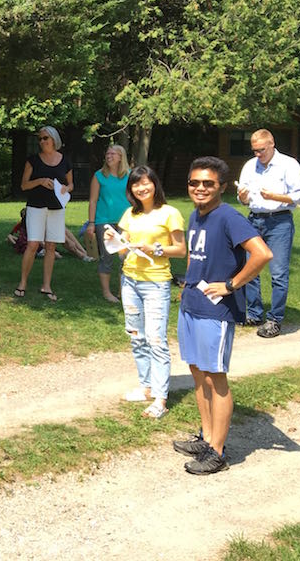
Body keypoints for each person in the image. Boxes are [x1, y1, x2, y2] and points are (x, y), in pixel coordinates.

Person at [173, 157, 272, 475]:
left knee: (216, 378)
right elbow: (193, 255)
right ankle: (206, 437)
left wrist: (231, 285)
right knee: (197, 372)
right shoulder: (195, 215)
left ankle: (217, 451)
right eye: (194, 182)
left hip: (215, 311)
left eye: (208, 183)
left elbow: (262, 253)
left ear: (222, 187)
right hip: (191, 304)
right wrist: (187, 283)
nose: (200, 188)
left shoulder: (229, 217)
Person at [106, 166, 185, 419]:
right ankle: (146, 387)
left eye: (145, 183)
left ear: (155, 184)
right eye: (136, 185)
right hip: (129, 281)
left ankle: (161, 399)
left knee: (156, 339)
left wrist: (152, 248)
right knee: (136, 336)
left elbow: (181, 250)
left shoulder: (170, 213)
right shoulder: (130, 214)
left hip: (156, 283)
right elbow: (121, 250)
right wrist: (114, 239)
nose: (141, 188)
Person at [236, 129, 300, 338]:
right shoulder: (250, 166)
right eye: (254, 150)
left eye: (261, 150)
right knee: (250, 269)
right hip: (254, 220)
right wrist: (242, 197)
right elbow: (244, 199)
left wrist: (275, 196)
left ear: (271, 144)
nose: (257, 154)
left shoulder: (288, 164)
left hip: (279, 221)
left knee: (278, 273)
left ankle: (274, 319)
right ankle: (254, 313)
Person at [15, 126, 73, 301]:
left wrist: (66, 188)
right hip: (36, 206)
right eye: (40, 139)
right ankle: (22, 282)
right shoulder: (33, 160)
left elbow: (71, 185)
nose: (42, 142)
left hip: (56, 208)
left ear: (54, 140)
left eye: (45, 138)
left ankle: (46, 285)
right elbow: (24, 185)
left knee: (51, 246)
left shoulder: (65, 161)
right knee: (33, 244)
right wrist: (40, 181)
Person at [87, 144, 130, 302]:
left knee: (126, 256)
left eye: (113, 153)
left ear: (121, 157)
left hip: (126, 222)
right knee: (107, 257)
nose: (109, 156)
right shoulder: (99, 176)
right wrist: (91, 223)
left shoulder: (129, 175)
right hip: (104, 222)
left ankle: (123, 291)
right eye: (108, 153)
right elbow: (92, 201)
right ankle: (106, 292)